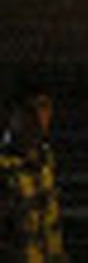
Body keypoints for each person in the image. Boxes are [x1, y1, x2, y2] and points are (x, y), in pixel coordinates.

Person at [0, 82, 65, 262]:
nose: (38, 118)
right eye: (29, 111)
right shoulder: (4, 168)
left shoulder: (45, 160)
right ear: (12, 115)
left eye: (44, 108)